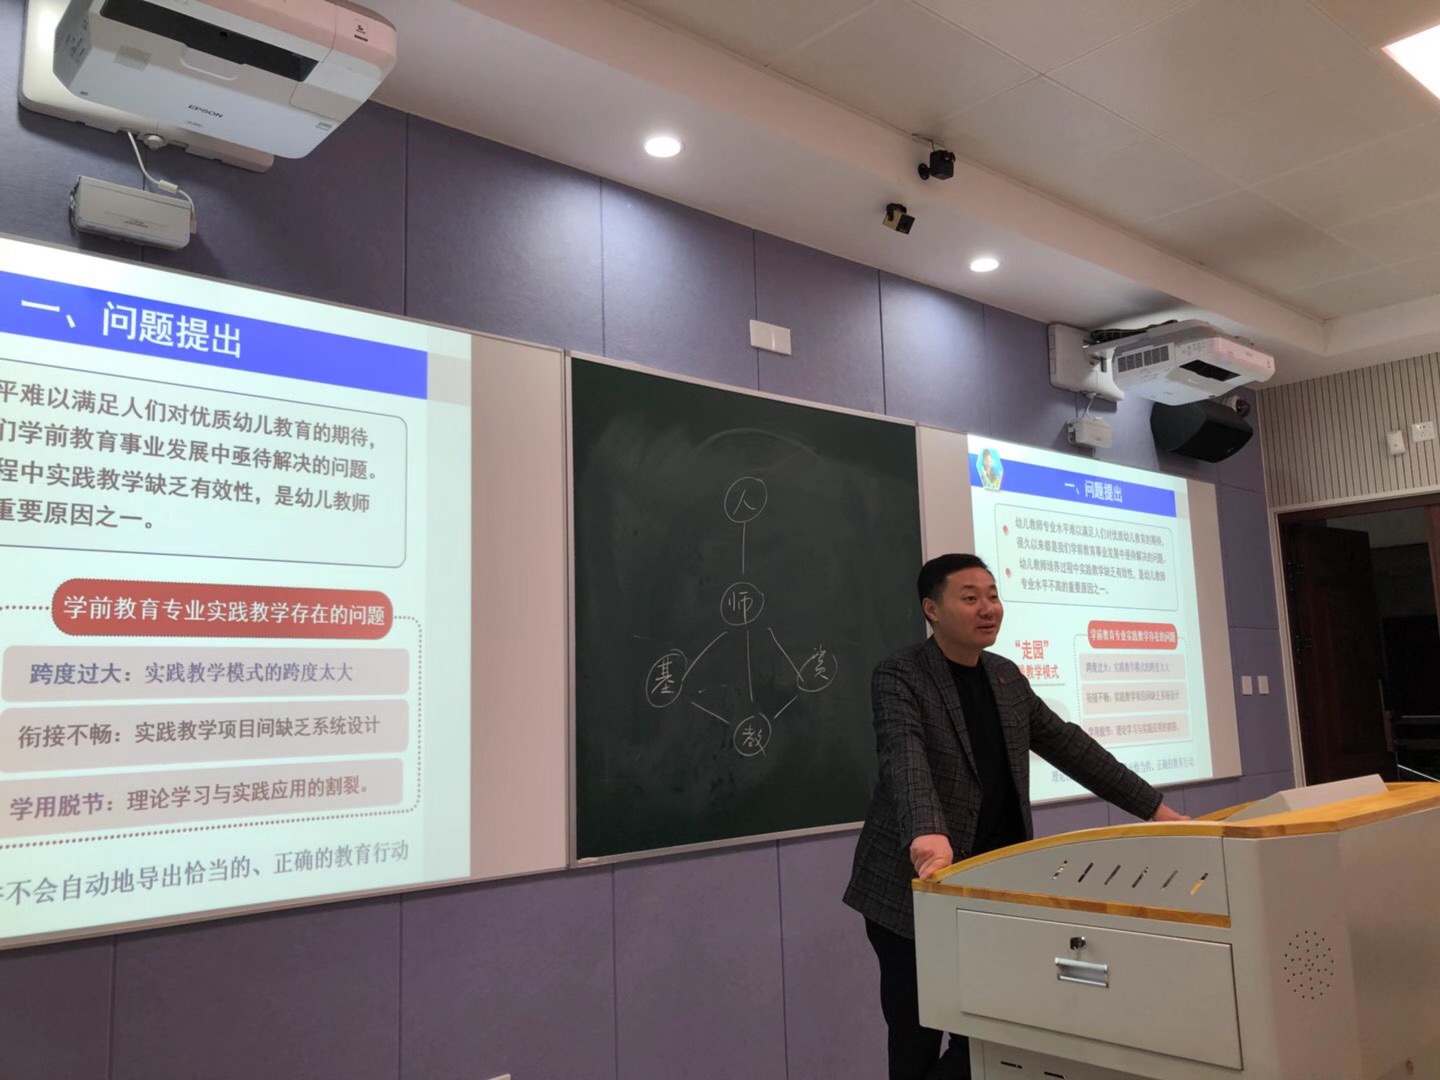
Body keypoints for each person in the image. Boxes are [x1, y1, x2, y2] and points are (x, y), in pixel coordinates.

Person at [843, 553, 1186, 1080]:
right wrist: (928, 834)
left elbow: (1072, 748)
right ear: (932, 609)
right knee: (916, 1036)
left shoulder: (1005, 676)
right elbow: (905, 758)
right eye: (970, 597)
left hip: (991, 887)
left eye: (993, 595)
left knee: (989, 1033)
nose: (988, 608)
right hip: (915, 888)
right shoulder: (901, 675)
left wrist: (1157, 811)